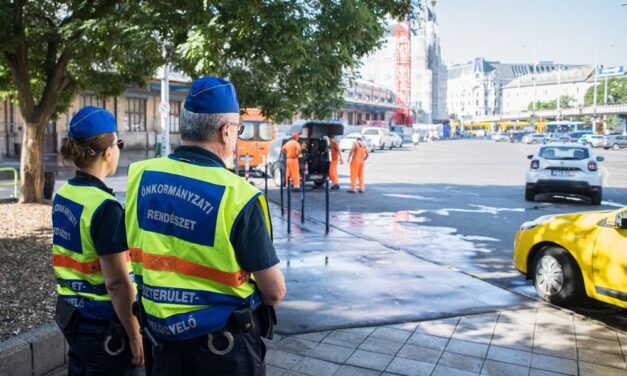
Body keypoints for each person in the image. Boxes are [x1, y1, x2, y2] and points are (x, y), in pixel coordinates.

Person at [125, 76, 286, 376]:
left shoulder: (140, 176)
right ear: (226, 132)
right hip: (223, 352)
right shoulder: (239, 195)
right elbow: (274, 292)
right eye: (237, 130)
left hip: (161, 343)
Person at [52, 106, 143, 375]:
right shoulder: (105, 208)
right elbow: (116, 283)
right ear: (107, 152)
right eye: (119, 144)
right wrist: (134, 333)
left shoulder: (64, 194)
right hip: (102, 322)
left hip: (71, 314)